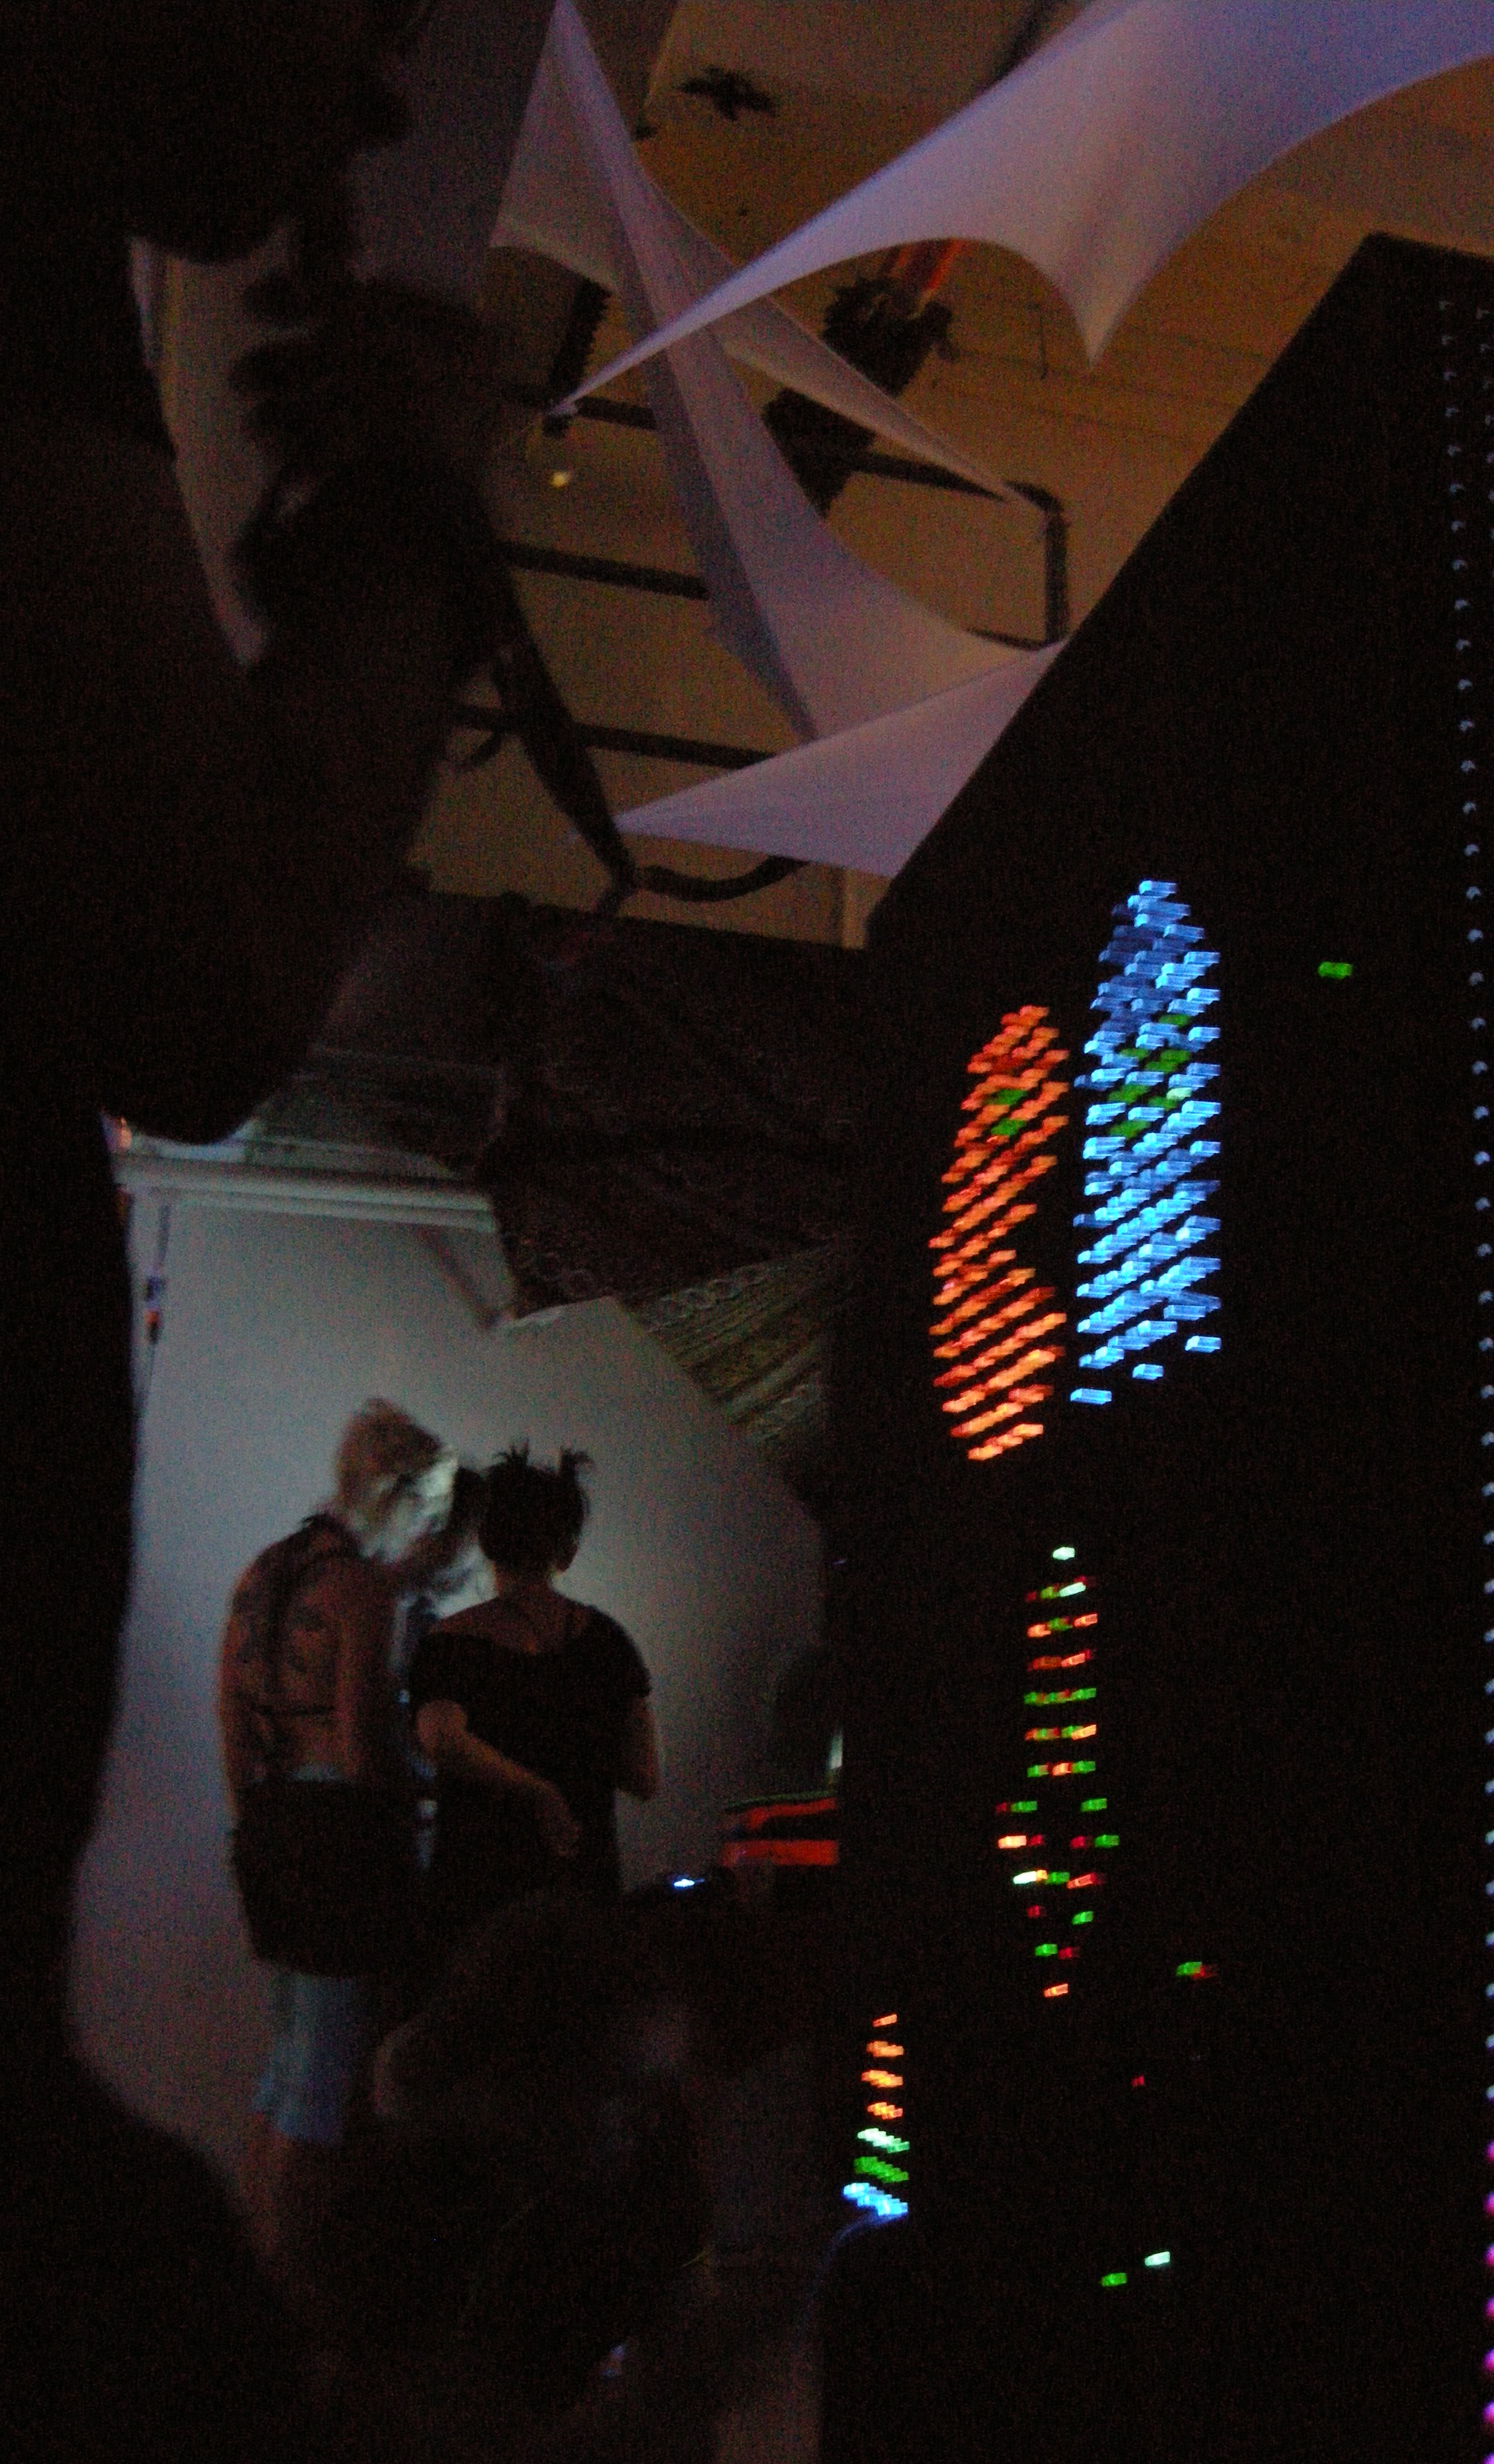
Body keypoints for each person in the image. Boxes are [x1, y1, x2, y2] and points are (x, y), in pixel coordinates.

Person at [0, 8, 503, 2452]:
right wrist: (409, 532)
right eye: (374, 9)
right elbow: (202, 969)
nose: (385, 102)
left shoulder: (299, 1579)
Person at [217, 1402, 475, 2293]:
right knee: (325, 2085)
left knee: (285, 2067)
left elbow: (232, 1723)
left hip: (269, 1823)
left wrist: (257, 1824)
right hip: (338, 1842)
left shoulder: (261, 1575)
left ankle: (250, 2272)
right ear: (396, 1495)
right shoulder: (358, 1590)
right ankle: (285, 2294)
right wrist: (429, 1788)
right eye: (425, 1511)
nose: (424, 1534)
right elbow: (365, 1749)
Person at [410, 1448, 660, 1972]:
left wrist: (536, 1790)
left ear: (487, 1542)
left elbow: (441, 1736)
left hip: (478, 1902)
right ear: (565, 1552)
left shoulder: (451, 1643)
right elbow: (644, 1777)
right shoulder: (609, 1644)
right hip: (583, 1896)